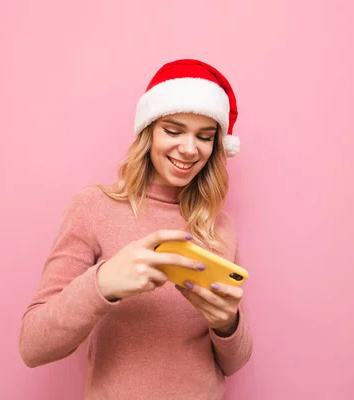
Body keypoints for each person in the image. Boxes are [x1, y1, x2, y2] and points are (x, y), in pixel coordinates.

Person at [19, 59, 253, 399]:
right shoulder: (94, 207)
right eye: (173, 130)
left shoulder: (221, 226)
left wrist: (227, 324)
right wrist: (103, 283)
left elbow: (234, 362)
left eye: (205, 136)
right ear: (148, 131)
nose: (189, 149)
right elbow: (32, 345)